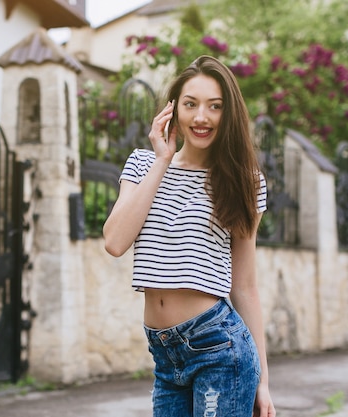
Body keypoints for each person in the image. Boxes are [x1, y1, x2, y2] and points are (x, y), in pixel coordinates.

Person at [103, 55, 276, 417]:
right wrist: (162, 159)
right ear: (173, 109)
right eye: (191, 104)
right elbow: (115, 241)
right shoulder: (141, 164)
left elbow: (245, 286)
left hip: (219, 348)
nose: (202, 117)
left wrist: (262, 381)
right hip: (166, 356)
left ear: (228, 115)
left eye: (215, 107)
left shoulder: (243, 182)